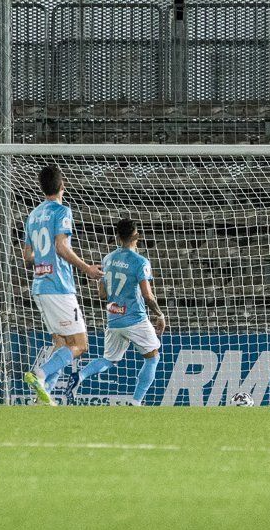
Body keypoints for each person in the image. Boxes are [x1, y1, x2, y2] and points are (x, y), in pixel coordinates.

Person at [22, 165, 103, 405]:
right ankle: (41, 373)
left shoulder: (33, 215)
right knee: (80, 345)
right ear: (62, 185)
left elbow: (27, 255)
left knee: (61, 343)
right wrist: (87, 268)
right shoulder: (62, 210)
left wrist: (44, 260)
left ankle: (43, 395)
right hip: (59, 286)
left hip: (39, 286)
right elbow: (61, 247)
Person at [65, 219, 165, 406]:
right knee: (153, 357)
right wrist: (160, 315)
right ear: (137, 236)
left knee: (109, 360)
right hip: (135, 318)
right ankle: (136, 402)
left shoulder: (107, 259)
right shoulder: (140, 262)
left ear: (118, 237)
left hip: (114, 319)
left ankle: (79, 376)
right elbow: (148, 295)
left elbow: (102, 294)